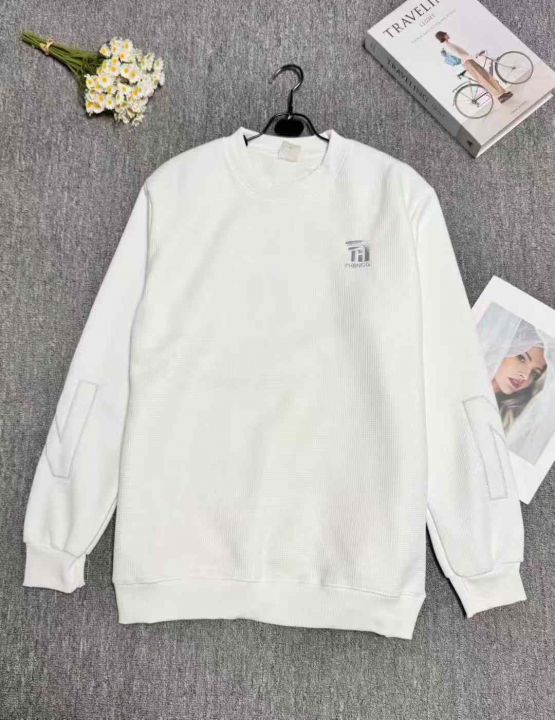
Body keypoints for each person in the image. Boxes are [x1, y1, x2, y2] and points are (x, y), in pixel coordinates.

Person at [435, 31, 513, 103]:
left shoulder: (448, 44)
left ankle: (502, 93)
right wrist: (471, 57)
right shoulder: (447, 45)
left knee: (487, 77)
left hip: (469, 61)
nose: (447, 34)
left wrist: (472, 56)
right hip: (468, 62)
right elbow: (458, 54)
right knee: (484, 79)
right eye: (445, 34)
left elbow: (461, 53)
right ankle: (499, 96)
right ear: (443, 36)